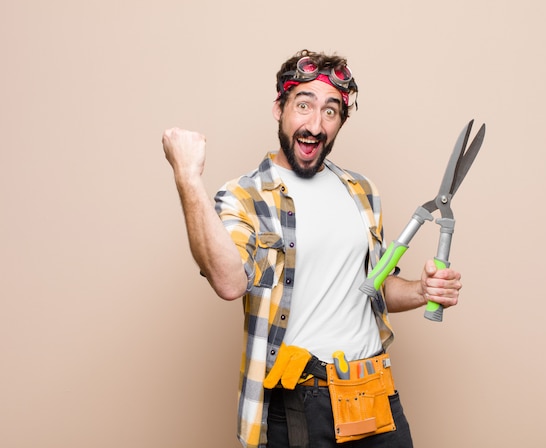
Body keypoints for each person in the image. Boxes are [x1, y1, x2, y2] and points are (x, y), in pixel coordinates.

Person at [162, 49, 462, 448]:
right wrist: (188, 178)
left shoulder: (361, 192)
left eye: (331, 111)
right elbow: (229, 280)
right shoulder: (243, 197)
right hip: (301, 401)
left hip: (373, 388)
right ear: (279, 109)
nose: (315, 124)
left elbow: (374, 289)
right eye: (303, 105)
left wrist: (422, 291)